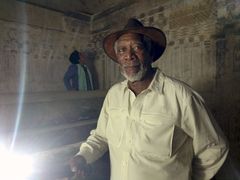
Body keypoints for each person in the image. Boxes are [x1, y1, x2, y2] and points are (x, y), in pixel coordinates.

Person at [69, 18, 229, 180]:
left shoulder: (181, 96)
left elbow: (214, 147)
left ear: (151, 53)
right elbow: (101, 136)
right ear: (118, 58)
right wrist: (82, 156)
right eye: (122, 50)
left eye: (137, 47)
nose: (129, 56)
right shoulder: (114, 94)